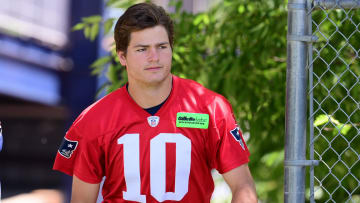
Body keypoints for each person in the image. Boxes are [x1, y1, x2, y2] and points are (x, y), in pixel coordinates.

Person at [53, 2, 257, 203]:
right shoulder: (95, 119)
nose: (154, 57)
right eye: (142, 49)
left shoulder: (209, 109)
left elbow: (243, 187)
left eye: (161, 47)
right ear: (122, 56)